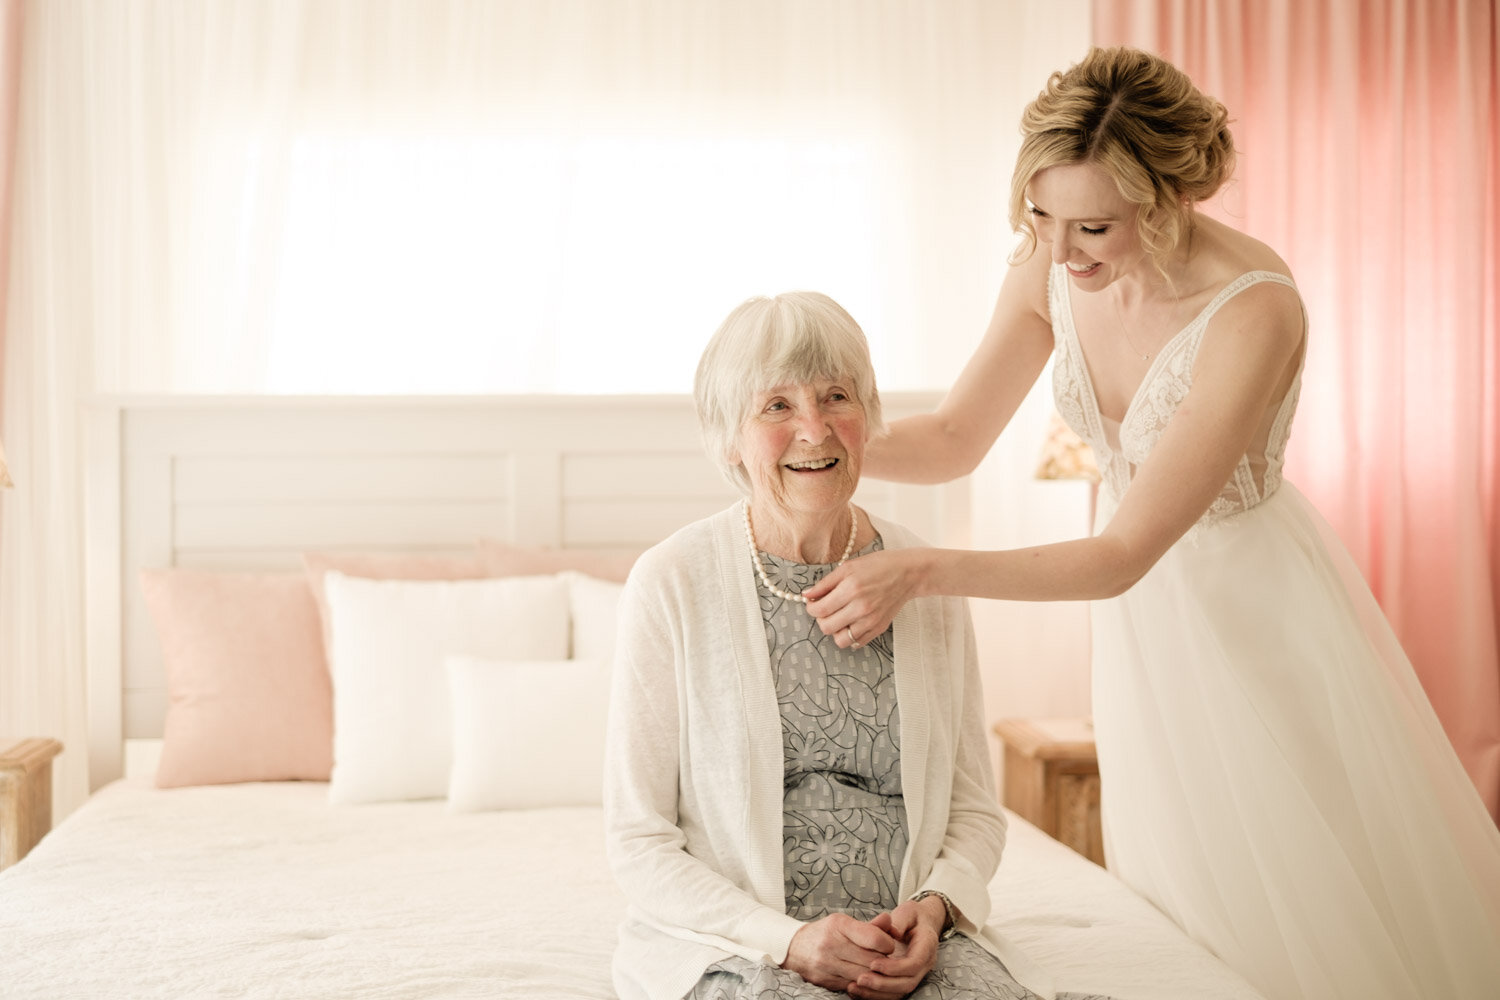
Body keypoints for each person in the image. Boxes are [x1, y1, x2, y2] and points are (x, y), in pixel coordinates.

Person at [802, 46, 1500, 1000]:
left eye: (1093, 225)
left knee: (1298, 883)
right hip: (1143, 625)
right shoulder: (1053, 259)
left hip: (1250, 611)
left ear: (1169, 199)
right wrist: (824, 436)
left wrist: (919, 572)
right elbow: (959, 436)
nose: (1061, 249)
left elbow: (1123, 550)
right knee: (1182, 883)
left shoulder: (1253, 309)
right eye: (1040, 217)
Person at [603, 292, 1072, 1000]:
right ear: (729, 436)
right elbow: (639, 843)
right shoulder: (673, 580)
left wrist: (937, 907)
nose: (814, 430)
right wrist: (788, 939)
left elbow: (975, 809)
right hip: (742, 947)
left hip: (911, 949)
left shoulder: (921, 573)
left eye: (836, 397)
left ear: (868, 418)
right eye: (777, 407)